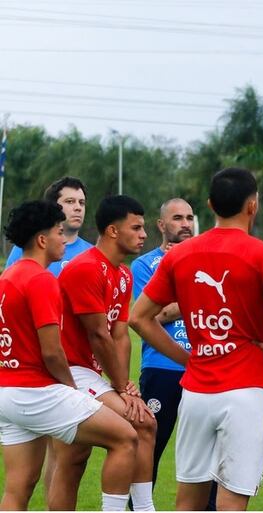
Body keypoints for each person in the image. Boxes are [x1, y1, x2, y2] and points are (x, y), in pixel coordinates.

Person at [130, 167, 263, 511]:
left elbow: (139, 317)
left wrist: (187, 358)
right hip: (246, 388)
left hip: (197, 391)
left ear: (210, 205)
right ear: (253, 206)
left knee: (188, 499)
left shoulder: (179, 254)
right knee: (231, 500)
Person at [0, 200, 138, 511]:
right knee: (126, 437)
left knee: (18, 488)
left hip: (7, 392)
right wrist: (71, 388)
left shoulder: (7, 277)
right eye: (59, 232)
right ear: (42, 240)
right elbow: (52, 351)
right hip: (36, 391)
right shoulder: (41, 280)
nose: (64, 239)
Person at [49, 195, 157, 511]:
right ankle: (143, 508)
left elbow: (119, 335)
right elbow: (98, 335)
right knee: (141, 425)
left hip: (90, 373)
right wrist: (123, 388)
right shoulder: (85, 268)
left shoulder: (123, 274)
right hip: (69, 372)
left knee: (73, 458)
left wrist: (124, 385)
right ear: (112, 230)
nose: (143, 234)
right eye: (136, 227)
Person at [131, 198, 218, 508]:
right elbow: (153, 315)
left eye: (189, 218)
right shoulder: (145, 265)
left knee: (208, 450)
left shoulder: (207, 261)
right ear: (161, 225)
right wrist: (195, 291)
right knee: (149, 443)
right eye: (178, 218)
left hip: (205, 367)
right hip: (162, 367)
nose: (185, 224)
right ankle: (140, 506)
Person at [5, 176, 92, 276]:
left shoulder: (92, 253)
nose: (78, 208)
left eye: (81, 203)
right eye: (70, 201)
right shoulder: (27, 248)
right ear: (53, 206)